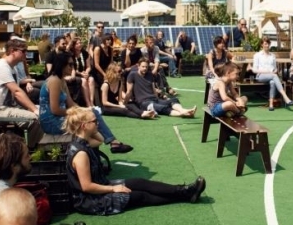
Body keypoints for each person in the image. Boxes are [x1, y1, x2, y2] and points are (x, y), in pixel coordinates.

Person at [64, 107, 207, 216]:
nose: (98, 124)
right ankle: (185, 195)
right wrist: (114, 188)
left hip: (101, 186)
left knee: (140, 182)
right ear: (84, 126)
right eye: (94, 121)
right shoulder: (81, 154)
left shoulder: (83, 141)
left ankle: (183, 190)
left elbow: (100, 139)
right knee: (139, 196)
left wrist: (92, 128)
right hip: (90, 200)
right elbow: (87, 186)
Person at [38, 52, 133, 153]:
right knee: (89, 121)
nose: (72, 67)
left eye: (73, 64)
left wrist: (85, 110)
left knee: (91, 113)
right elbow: (55, 110)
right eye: (70, 64)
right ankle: (108, 144)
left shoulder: (61, 80)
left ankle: (101, 150)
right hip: (51, 122)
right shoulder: (54, 81)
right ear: (61, 65)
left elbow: (71, 103)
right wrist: (77, 113)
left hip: (60, 118)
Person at [0, 39, 43, 148]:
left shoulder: (11, 67)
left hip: (7, 108)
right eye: (23, 51)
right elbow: (16, 92)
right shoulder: (2, 67)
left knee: (43, 112)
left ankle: (27, 150)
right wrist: (34, 109)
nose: (26, 53)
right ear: (12, 51)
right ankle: (32, 152)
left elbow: (18, 88)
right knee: (36, 119)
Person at [125, 59, 197, 118]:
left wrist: (158, 98)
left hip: (154, 99)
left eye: (146, 67)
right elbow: (129, 91)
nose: (145, 69)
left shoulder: (150, 75)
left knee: (174, 100)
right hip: (144, 102)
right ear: (138, 66)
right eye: (143, 67)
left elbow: (153, 89)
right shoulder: (132, 75)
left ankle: (183, 111)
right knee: (162, 108)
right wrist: (124, 103)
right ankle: (184, 113)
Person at [251, 36, 293, 111]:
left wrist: (275, 71)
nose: (267, 45)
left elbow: (275, 68)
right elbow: (254, 70)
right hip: (261, 76)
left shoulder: (272, 56)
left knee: (273, 82)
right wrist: (269, 72)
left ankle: (271, 104)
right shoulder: (257, 55)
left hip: (271, 76)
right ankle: (285, 96)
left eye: (268, 44)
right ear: (262, 45)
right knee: (274, 76)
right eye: (265, 44)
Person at [69, 37, 93, 107]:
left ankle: (91, 102)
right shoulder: (71, 54)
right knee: (83, 81)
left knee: (91, 80)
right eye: (77, 43)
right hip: (76, 73)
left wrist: (86, 72)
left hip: (84, 72)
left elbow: (88, 66)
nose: (80, 44)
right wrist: (80, 73)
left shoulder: (85, 53)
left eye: (80, 43)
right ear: (73, 45)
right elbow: (71, 68)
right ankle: (87, 103)